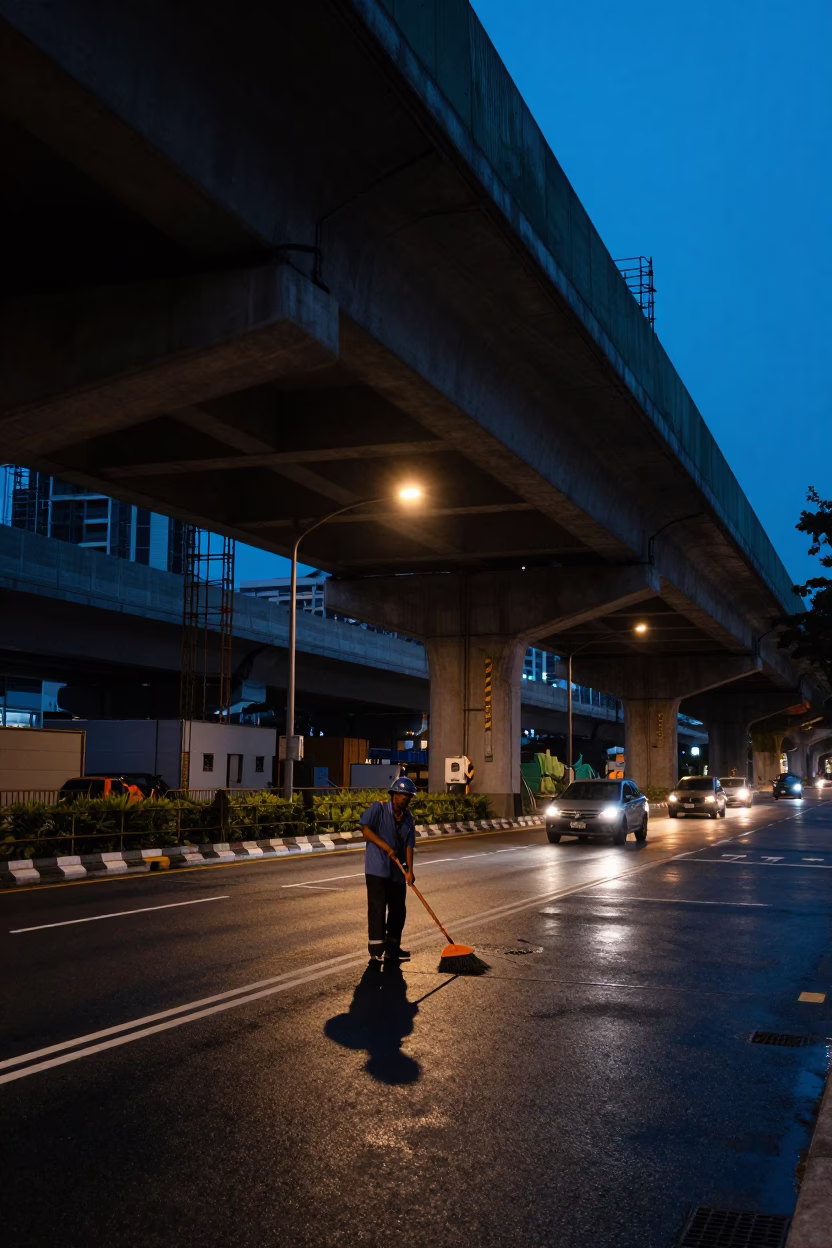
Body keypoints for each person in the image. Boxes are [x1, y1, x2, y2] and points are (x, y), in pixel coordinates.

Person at [358, 776, 417, 963]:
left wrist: (410, 871)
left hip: (397, 871)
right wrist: (385, 847)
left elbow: (409, 845)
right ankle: (376, 951)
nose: (405, 798)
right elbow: (365, 830)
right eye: (401, 795)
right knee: (377, 909)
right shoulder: (379, 809)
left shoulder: (408, 819)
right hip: (377, 870)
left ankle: (393, 948)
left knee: (398, 910)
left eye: (408, 796)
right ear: (393, 794)